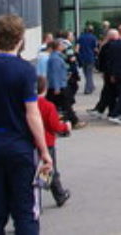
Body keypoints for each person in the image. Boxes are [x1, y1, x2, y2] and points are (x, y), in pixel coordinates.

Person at [0, 14, 53, 235]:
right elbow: (32, 114)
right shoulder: (25, 70)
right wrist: (44, 150)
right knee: (25, 212)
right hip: (20, 148)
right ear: (20, 38)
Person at [33, 77, 71, 208]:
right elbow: (55, 126)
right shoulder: (48, 106)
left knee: (34, 169)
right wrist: (66, 127)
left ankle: (37, 196)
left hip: (31, 142)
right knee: (50, 169)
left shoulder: (27, 104)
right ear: (44, 89)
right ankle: (58, 194)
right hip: (47, 142)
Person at [76, 25, 98, 96]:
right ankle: (88, 89)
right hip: (90, 57)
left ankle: (91, 85)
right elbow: (95, 48)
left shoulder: (81, 37)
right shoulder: (93, 38)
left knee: (86, 73)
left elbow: (77, 48)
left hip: (82, 57)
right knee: (89, 73)